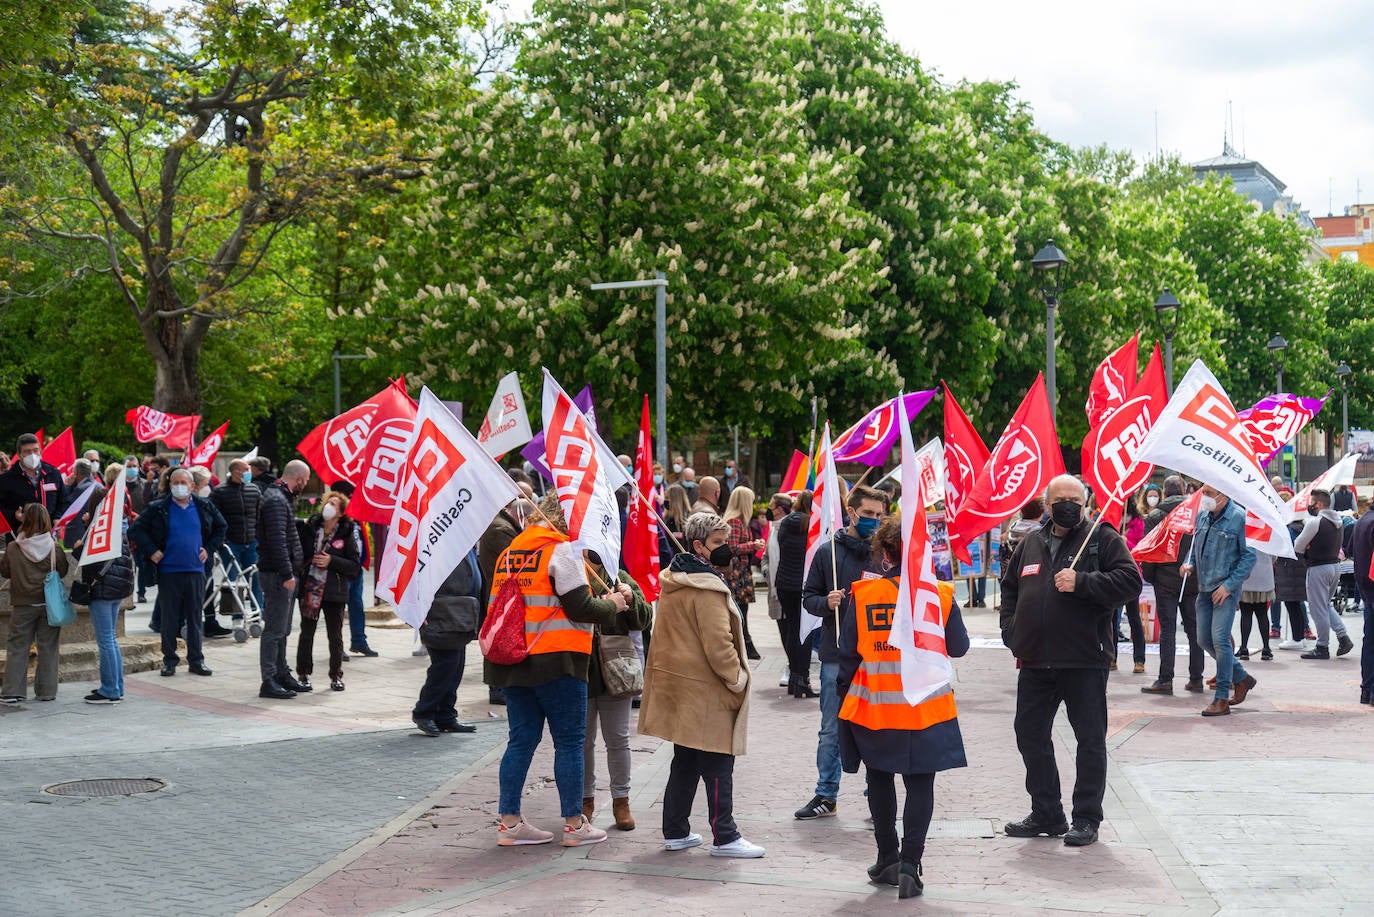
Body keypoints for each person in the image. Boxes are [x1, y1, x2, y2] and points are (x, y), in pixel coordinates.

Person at [999, 475, 1140, 846]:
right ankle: (1047, 812)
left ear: (1086, 501)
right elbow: (1010, 586)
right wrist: (1011, 632)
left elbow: (1130, 582)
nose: (1067, 504)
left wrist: (1083, 582)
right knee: (1030, 735)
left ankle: (1086, 818)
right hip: (1035, 660)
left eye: (1074, 499)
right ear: (1047, 504)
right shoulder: (1032, 541)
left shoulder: (1103, 539)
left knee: (1089, 740)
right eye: (1060, 499)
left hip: (1083, 660)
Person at [485, 494, 630, 849]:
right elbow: (580, 606)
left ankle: (510, 822)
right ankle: (574, 824)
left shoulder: (511, 551)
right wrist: (613, 604)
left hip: (515, 660)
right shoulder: (560, 550)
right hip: (558, 659)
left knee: (521, 740)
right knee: (569, 742)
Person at [839, 516, 968, 899]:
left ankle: (888, 859)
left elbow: (847, 656)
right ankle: (912, 863)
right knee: (920, 784)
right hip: (926, 708)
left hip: (875, 707)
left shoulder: (864, 595)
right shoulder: (940, 594)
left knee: (878, 780)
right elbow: (958, 647)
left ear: (885, 555)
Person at [639, 512, 764, 858]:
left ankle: (676, 829)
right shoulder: (705, 587)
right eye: (718, 543)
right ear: (698, 546)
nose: (725, 549)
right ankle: (725, 836)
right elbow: (719, 645)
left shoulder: (676, 580)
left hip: (684, 688)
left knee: (687, 759)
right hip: (708, 689)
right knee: (719, 762)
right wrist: (737, 679)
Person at [796, 484, 887, 821]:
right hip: (836, 654)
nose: (874, 522)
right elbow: (808, 597)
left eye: (879, 516)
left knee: (877, 726)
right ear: (851, 513)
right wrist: (826, 602)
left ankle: (878, 791)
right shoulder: (827, 553)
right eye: (867, 515)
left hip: (878, 656)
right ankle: (826, 793)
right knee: (831, 727)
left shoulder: (886, 552)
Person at [128, 468, 227, 678]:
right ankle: (170, 661)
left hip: (196, 571)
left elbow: (221, 527)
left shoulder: (204, 506)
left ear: (192, 486)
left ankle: (196, 660)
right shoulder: (158, 507)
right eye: (175, 482)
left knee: (194, 618)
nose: (179, 486)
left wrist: (208, 549)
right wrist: (152, 551)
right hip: (169, 572)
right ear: (170, 485)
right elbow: (136, 530)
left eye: (184, 482)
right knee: (169, 619)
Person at [582, 550, 653, 830]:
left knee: (618, 740)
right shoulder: (572, 574)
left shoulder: (619, 577)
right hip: (582, 670)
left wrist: (632, 599)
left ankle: (620, 801)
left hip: (617, 671)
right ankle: (585, 800)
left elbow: (644, 619)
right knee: (583, 743)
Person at [1182, 484, 1257, 716]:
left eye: (1209, 494)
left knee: (1220, 640)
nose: (1205, 498)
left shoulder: (1239, 518)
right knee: (1203, 639)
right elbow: (1196, 547)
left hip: (1225, 588)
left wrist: (1229, 586)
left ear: (1224, 495)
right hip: (1204, 587)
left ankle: (1222, 697)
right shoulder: (1204, 515)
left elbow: (1249, 557)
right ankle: (1242, 677)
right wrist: (1189, 563)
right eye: (1204, 492)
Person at [75, 467, 137, 704]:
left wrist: (82, 540)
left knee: (106, 640)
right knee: (111, 639)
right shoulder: (118, 526)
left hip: (101, 590)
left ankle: (110, 689)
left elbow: (86, 556)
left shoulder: (100, 528)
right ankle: (117, 686)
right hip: (116, 588)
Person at [1140, 476, 1205, 696]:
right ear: (1183, 488)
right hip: (1191, 579)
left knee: (1167, 630)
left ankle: (1165, 679)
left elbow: (1149, 550)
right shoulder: (1195, 514)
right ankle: (1196, 678)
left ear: (1164, 493)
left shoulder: (1157, 516)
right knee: (1194, 629)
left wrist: (1151, 577)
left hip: (1165, 580)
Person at [1, 504, 69, 704]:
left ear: (26, 520)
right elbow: (62, 571)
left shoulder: (14, 547)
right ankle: (47, 691)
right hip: (49, 605)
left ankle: (13, 691)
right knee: (48, 647)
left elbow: (5, 571)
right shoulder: (54, 547)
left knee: (17, 647)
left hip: (23, 605)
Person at [256, 459, 313, 699]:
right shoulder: (277, 500)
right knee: (275, 630)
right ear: (299, 479)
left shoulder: (280, 497)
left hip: (283, 573)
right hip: (278, 574)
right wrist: (287, 573)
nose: (306, 485)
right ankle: (269, 679)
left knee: (283, 629)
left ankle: (281, 673)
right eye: (307, 480)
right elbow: (278, 541)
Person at [412, 548, 483, 735]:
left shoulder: (463, 538)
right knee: (445, 667)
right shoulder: (437, 538)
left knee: (455, 667)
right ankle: (424, 712)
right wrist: (418, 607)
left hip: (460, 613)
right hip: (441, 613)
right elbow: (418, 573)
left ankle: (446, 715)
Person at [296, 490, 361, 691]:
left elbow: (354, 565)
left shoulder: (346, 532)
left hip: (334, 591)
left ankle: (336, 675)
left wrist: (331, 560)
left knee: (335, 635)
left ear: (341, 512)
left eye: (334, 504)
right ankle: (304, 673)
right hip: (311, 589)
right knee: (307, 633)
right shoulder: (311, 527)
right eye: (327, 502)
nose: (328, 506)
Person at [477, 493, 533, 705]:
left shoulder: (503, 525)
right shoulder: (502, 530)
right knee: (497, 638)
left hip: (500, 591)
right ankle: (496, 687)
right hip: (499, 592)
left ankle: (499, 686)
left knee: (500, 637)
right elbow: (518, 561)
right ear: (522, 517)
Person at [1294, 489, 1355, 660]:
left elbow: (1298, 546)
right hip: (1334, 566)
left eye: (1312, 501)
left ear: (1319, 504)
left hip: (1318, 567)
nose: (1310, 505)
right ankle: (1343, 636)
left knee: (1318, 608)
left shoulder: (1316, 522)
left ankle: (1322, 646)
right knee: (1325, 605)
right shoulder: (1340, 521)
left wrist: (1308, 546)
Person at [211, 458, 263, 633]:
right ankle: (237, 618)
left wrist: (258, 536)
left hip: (252, 542)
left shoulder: (254, 489)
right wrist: (221, 541)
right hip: (231, 543)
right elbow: (213, 518)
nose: (248, 471)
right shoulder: (220, 492)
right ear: (235, 472)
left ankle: (257, 615)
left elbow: (259, 515)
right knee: (233, 582)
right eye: (245, 469)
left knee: (256, 579)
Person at [775, 490, 815, 697]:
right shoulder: (813, 525)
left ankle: (794, 678)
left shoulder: (786, 523)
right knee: (805, 632)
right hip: (803, 585)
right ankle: (802, 679)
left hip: (784, 583)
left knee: (792, 629)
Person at [721, 485, 765, 660]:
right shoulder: (735, 521)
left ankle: (744, 644)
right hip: (736, 573)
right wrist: (752, 545)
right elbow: (731, 548)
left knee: (742, 610)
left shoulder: (737, 521)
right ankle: (744, 644)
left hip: (740, 571)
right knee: (740, 610)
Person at [0, 433, 68, 532]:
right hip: (19, 534)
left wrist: (57, 517)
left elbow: (64, 501)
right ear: (19, 455)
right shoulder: (6, 479)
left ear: (40, 451)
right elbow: (2, 508)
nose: (32, 455)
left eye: (35, 450)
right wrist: (14, 516)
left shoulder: (53, 474)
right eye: (27, 451)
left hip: (48, 533)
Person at [762, 492, 794, 686]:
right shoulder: (773, 530)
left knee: (792, 631)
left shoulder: (792, 529)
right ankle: (791, 664)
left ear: (780, 509)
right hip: (775, 590)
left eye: (771, 506)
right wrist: (768, 572)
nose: (768, 510)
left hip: (789, 589)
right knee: (783, 631)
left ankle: (793, 667)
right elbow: (766, 557)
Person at [1115, 494, 1147, 673]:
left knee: (1134, 617)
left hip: (1132, 574)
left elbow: (1140, 548)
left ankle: (1139, 660)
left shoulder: (1138, 523)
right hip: (1113, 574)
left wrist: (1126, 542)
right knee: (1113, 618)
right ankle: (1112, 658)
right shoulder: (1110, 521)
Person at [1273, 519, 1312, 648]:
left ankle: (1296, 639)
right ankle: (1300, 636)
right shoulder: (1302, 527)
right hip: (1300, 568)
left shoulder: (1287, 530)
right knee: (1296, 604)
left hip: (1288, 569)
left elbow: (1284, 548)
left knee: (1291, 604)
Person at [1351, 505, 1374, 705]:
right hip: (1371, 586)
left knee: (1370, 641)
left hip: (1366, 589)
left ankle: (1367, 689)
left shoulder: (1363, 520)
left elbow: (1351, 550)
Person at [1237, 551, 1275, 661]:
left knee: (1246, 614)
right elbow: (1274, 556)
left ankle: (1244, 648)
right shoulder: (1268, 534)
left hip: (1246, 574)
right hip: (1264, 575)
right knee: (1262, 613)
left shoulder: (1245, 534)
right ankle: (1266, 648)